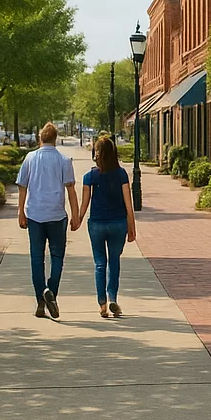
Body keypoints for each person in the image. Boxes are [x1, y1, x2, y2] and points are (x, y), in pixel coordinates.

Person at [16, 121, 80, 319]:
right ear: (56, 138)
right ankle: (51, 291)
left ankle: (41, 297)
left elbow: (22, 186)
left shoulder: (30, 158)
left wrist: (20, 211)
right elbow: (70, 189)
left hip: (34, 214)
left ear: (40, 138)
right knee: (57, 257)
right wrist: (76, 215)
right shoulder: (63, 160)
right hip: (56, 215)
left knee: (36, 258)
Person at [79, 134, 136, 318]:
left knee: (100, 264)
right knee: (114, 261)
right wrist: (131, 226)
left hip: (96, 224)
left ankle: (102, 304)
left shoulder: (90, 176)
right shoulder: (121, 174)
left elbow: (85, 203)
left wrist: (77, 219)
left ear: (98, 154)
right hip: (118, 223)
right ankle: (113, 298)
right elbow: (128, 203)